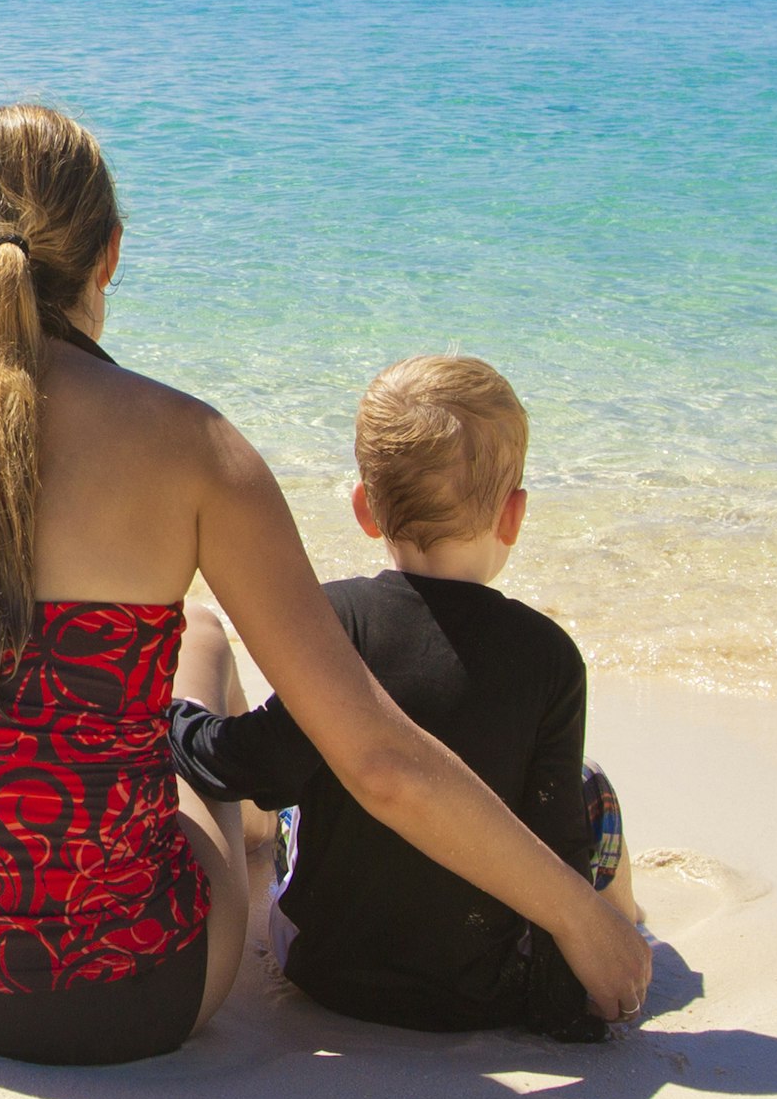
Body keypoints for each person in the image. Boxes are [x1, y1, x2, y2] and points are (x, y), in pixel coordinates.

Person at [0, 106, 648, 1064]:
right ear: (112, 255)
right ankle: (271, 843)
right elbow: (374, 757)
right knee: (205, 655)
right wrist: (580, 918)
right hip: (128, 994)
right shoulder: (197, 449)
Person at [168, 355, 644, 1046]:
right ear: (513, 516)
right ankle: (622, 923)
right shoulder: (548, 657)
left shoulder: (338, 621)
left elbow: (252, 766)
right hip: (485, 991)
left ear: (365, 507)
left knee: (316, 771)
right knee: (587, 781)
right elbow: (558, 845)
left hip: (326, 968)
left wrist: (178, 720)